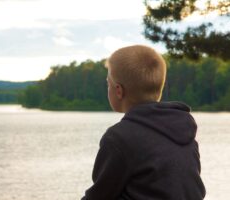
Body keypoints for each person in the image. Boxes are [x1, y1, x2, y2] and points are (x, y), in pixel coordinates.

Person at [81, 45, 206, 200]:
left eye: (108, 84)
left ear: (119, 91)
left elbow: (99, 196)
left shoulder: (119, 138)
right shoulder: (185, 131)